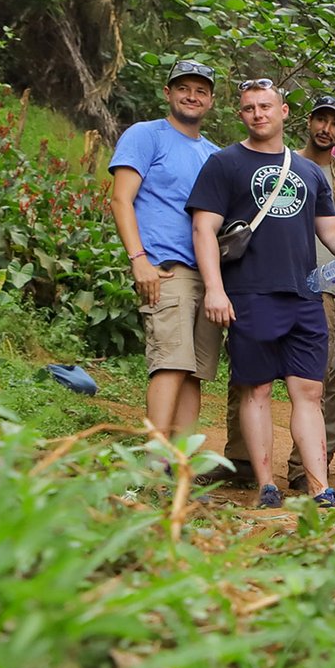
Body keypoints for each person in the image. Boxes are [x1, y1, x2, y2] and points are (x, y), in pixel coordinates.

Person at [187, 79, 335, 509]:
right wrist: (215, 289)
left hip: (304, 293)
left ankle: (320, 486)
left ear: (284, 112)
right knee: (256, 390)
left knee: (308, 391)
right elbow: (204, 229)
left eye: (265, 106)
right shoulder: (224, 163)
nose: (258, 114)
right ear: (240, 114)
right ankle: (267, 484)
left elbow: (331, 228)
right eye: (249, 108)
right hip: (249, 293)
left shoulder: (308, 171)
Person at [109, 59, 222, 443]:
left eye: (201, 91)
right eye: (184, 88)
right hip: (165, 269)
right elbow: (121, 200)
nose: (192, 96)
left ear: (210, 101)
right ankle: (154, 467)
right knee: (170, 364)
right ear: (168, 93)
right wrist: (138, 259)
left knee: (195, 373)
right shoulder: (146, 135)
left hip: (207, 277)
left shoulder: (214, 154)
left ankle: (181, 465)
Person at [286, 95, 335, 492]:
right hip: (282, 281)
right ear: (309, 120)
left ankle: (311, 463)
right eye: (321, 120)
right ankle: (242, 457)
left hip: (329, 287)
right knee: (257, 376)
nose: (327, 129)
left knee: (330, 375)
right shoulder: (283, 162)